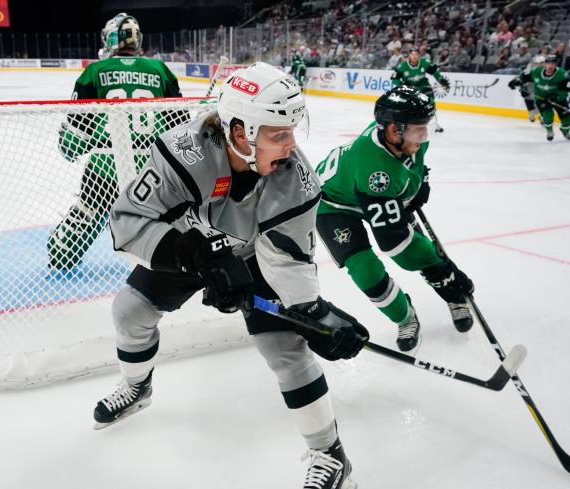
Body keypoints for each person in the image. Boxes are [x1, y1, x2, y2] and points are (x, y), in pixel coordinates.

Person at [94, 62, 368, 489]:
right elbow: (129, 219)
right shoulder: (183, 154)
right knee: (129, 311)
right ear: (241, 132)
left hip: (255, 254)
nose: (291, 145)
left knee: (285, 348)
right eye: (279, 133)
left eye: (293, 131)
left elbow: (288, 257)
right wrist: (190, 256)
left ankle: (331, 455)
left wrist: (312, 314)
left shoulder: (295, 180)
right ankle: (137, 386)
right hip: (191, 244)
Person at [314, 86, 475, 352]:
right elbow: (395, 245)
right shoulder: (375, 170)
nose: (424, 136)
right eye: (417, 129)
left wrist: (418, 182)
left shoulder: (406, 133)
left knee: (418, 244)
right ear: (392, 131)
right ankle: (405, 316)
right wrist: (447, 273)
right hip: (333, 207)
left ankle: (452, 295)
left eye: (426, 127)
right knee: (367, 269)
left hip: (369, 192)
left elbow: (412, 164)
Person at [48, 12, 183, 272]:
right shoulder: (160, 70)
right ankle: (170, 261)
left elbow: (75, 137)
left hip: (104, 166)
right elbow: (179, 127)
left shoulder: (95, 72)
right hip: (151, 168)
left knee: (86, 213)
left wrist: (72, 147)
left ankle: (61, 256)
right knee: (164, 218)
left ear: (111, 39)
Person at [509, 54, 570, 141]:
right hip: (542, 98)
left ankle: (566, 132)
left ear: (556, 64)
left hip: (558, 99)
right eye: (548, 63)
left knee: (566, 116)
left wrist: (555, 97)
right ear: (545, 64)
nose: (550, 66)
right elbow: (524, 77)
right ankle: (549, 131)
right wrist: (517, 81)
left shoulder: (562, 74)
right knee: (548, 115)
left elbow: (566, 90)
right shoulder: (536, 71)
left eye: (553, 63)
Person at [392, 47, 450, 133]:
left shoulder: (424, 63)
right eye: (412, 54)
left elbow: (435, 72)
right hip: (409, 89)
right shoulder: (402, 66)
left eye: (416, 54)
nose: (414, 56)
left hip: (424, 87)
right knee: (406, 106)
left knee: (430, 103)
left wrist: (441, 81)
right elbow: (394, 79)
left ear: (419, 55)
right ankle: (405, 124)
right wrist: (401, 86)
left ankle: (434, 125)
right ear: (409, 56)